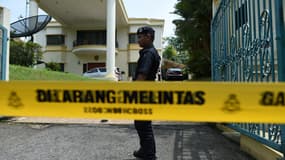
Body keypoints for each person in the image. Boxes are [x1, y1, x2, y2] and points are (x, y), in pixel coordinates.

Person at [133, 26, 161, 160]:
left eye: (140, 37)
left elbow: (142, 75)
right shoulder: (148, 52)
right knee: (141, 123)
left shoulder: (148, 53)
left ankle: (149, 154)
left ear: (148, 36)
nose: (138, 40)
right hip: (146, 92)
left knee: (143, 124)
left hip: (143, 93)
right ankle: (145, 150)